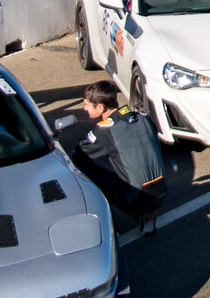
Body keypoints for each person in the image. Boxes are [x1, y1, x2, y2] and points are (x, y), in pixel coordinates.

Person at [56, 80, 167, 227]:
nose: (84, 109)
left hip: (136, 199)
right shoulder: (142, 118)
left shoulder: (105, 129)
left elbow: (78, 154)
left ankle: (106, 223)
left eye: (87, 105)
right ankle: (147, 214)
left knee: (87, 167)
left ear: (100, 107)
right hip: (162, 191)